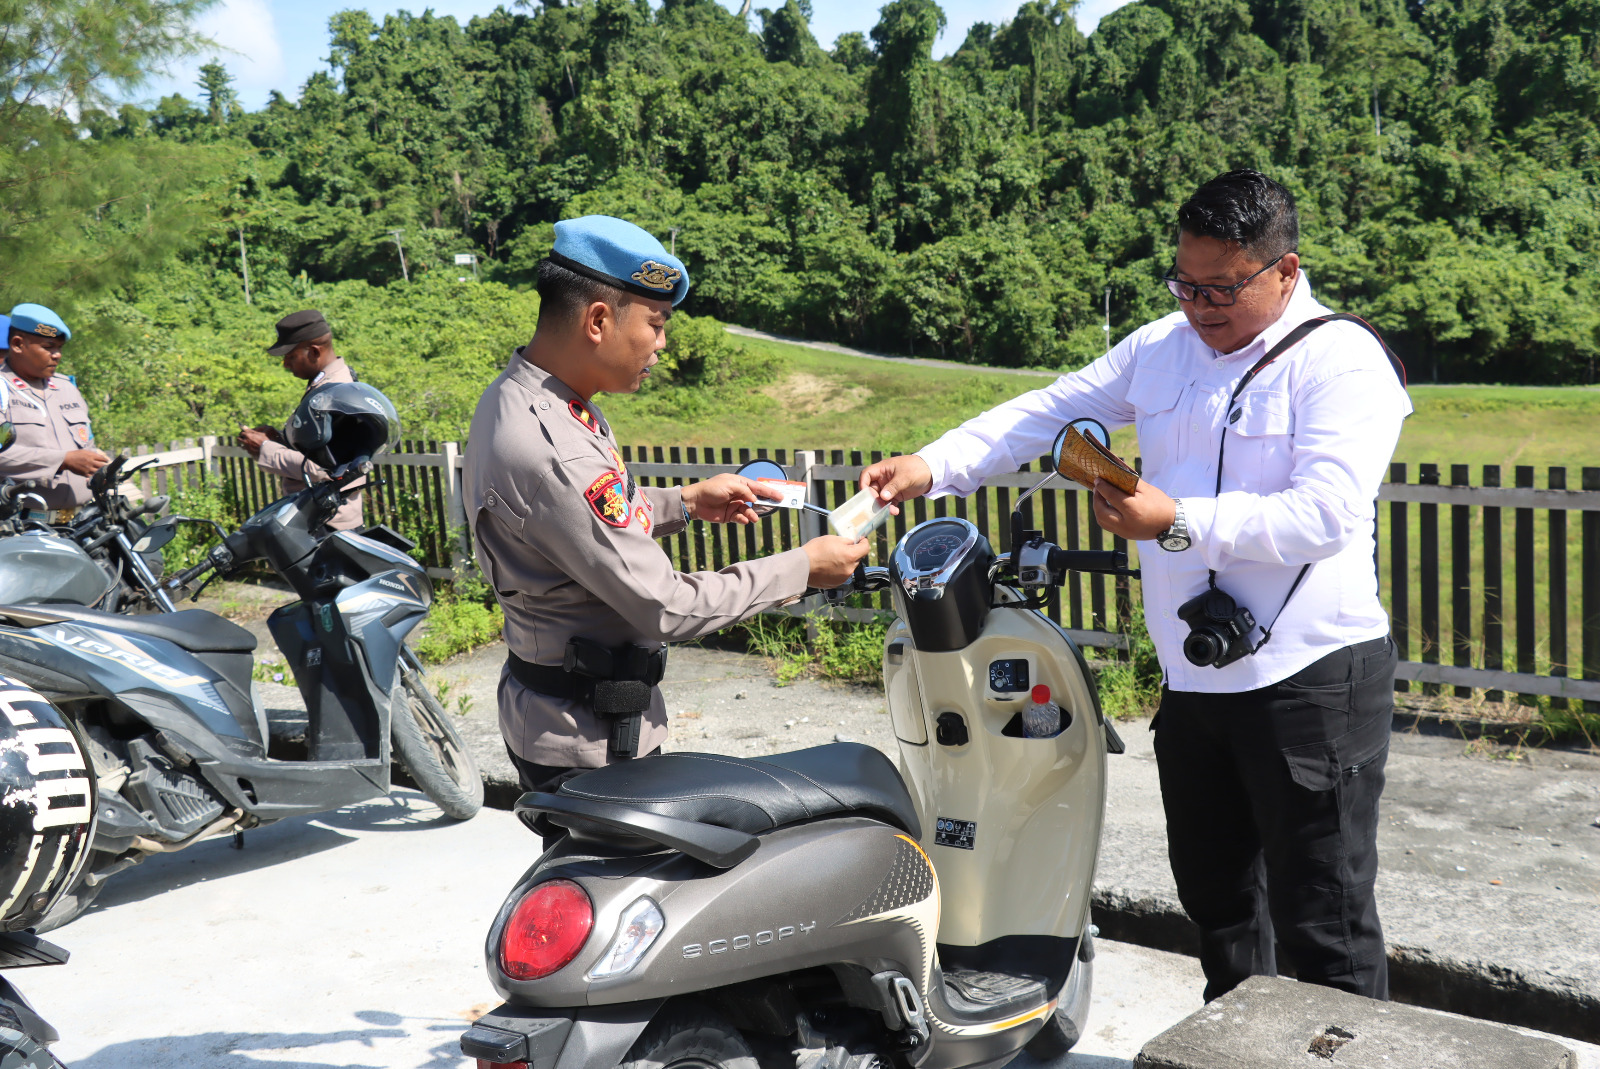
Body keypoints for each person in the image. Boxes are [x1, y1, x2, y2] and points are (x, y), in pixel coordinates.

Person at [861, 170, 1411, 1003]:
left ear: (1286, 271)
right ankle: (1234, 1053)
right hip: (1196, 679)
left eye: (1223, 286)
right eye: (1185, 283)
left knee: (1324, 919)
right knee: (1220, 904)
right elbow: (1048, 411)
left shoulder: (1341, 361)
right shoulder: (1162, 348)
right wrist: (934, 464)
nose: (1200, 304)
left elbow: (1326, 513)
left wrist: (1177, 520)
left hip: (1312, 683)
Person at [464, 215, 871, 814]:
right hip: (590, 740)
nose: (662, 344)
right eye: (655, 324)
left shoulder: (529, 397)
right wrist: (804, 569)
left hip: (573, 713)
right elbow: (667, 606)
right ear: (598, 320)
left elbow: (578, 526)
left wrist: (684, 502)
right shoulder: (557, 447)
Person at [237, 309, 364, 530]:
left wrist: (266, 449)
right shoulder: (327, 385)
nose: (285, 364)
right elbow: (320, 450)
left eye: (291, 356)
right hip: (322, 518)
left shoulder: (336, 394)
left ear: (314, 352)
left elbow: (327, 470)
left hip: (329, 526)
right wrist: (279, 440)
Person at [0, 304, 110, 520]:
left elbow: (84, 445)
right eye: (49, 347)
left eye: (59, 348)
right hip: (25, 527)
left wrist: (98, 465)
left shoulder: (65, 388)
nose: (57, 355)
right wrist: (63, 460)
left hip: (82, 522)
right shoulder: (2, 389)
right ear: (18, 344)